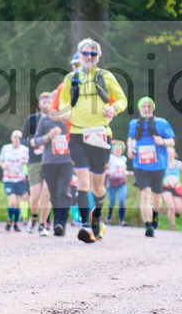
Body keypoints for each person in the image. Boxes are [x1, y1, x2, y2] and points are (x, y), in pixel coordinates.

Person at [53, 38, 127, 243]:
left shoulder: (106, 76)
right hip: (77, 135)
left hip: (101, 135)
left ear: (98, 57)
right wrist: (64, 113)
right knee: (83, 181)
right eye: (85, 54)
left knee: (98, 186)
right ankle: (85, 226)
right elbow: (63, 101)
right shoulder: (71, 78)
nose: (89, 57)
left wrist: (114, 109)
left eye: (93, 54)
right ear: (79, 55)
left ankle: (96, 219)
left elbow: (122, 99)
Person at [127, 96, 175, 238]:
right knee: (145, 194)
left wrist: (163, 142)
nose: (146, 109)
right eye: (144, 107)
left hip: (158, 165)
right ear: (140, 109)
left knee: (156, 197)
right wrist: (130, 148)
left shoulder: (162, 123)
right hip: (140, 165)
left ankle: (155, 215)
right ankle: (148, 225)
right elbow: (131, 138)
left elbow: (172, 141)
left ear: (153, 108)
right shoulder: (133, 124)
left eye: (149, 107)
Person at [32, 109, 74, 237]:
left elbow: (81, 134)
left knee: (63, 192)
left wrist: (71, 122)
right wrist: (48, 136)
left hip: (67, 161)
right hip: (49, 162)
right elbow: (34, 141)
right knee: (54, 195)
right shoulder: (45, 120)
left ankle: (59, 224)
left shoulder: (71, 117)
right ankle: (57, 223)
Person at [20, 92, 53, 233]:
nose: (46, 104)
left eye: (49, 102)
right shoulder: (31, 119)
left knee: (47, 193)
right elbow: (22, 139)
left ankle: (43, 224)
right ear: (39, 104)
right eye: (44, 102)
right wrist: (32, 143)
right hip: (34, 161)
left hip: (51, 161)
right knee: (35, 196)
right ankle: (34, 216)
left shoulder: (55, 120)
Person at [0, 131, 29, 231]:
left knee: (19, 203)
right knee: (12, 202)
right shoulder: (5, 148)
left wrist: (26, 163)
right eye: (15, 137)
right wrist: (3, 165)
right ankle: (9, 219)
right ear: (11, 138)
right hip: (9, 178)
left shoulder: (25, 150)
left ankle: (15, 223)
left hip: (20, 179)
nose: (17, 139)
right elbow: (0, 160)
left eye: (19, 137)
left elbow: (30, 162)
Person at [161, 146, 182, 231]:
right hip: (165, 188)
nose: (169, 154)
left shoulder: (179, 164)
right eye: (167, 153)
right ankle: (172, 225)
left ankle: (176, 213)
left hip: (176, 188)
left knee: (178, 210)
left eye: (171, 152)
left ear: (175, 154)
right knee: (171, 206)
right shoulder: (163, 163)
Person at [104, 141, 132, 226]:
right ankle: (109, 215)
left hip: (121, 182)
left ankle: (121, 220)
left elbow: (123, 170)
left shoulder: (124, 159)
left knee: (121, 200)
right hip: (111, 183)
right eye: (116, 149)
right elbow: (105, 169)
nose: (117, 150)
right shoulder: (110, 158)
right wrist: (111, 172)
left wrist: (129, 173)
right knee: (112, 201)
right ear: (113, 150)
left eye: (119, 149)